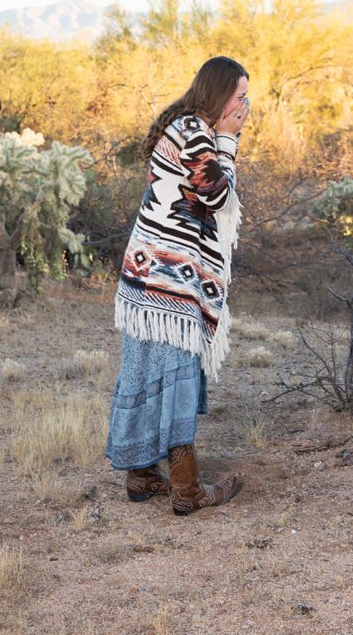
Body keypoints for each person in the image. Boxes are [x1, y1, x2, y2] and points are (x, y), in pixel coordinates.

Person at [106, 55, 249, 516]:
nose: (245, 107)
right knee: (175, 371)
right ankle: (186, 489)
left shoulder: (184, 126)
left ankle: (141, 473)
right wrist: (228, 140)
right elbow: (218, 196)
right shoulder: (197, 132)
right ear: (220, 95)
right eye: (240, 97)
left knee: (148, 367)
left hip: (148, 273)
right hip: (168, 279)